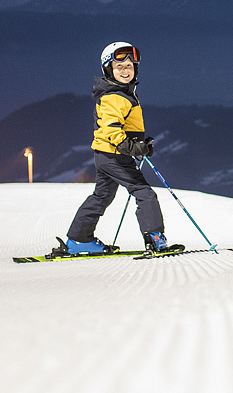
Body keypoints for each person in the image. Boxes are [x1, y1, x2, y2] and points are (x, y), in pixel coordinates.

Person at [64, 41, 184, 256]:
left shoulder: (120, 93)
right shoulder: (114, 96)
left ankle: (79, 240)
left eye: (129, 66)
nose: (125, 70)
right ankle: (155, 238)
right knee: (144, 193)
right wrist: (132, 147)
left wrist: (138, 145)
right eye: (119, 66)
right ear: (108, 69)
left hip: (106, 155)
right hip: (115, 156)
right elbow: (111, 129)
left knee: (102, 196)